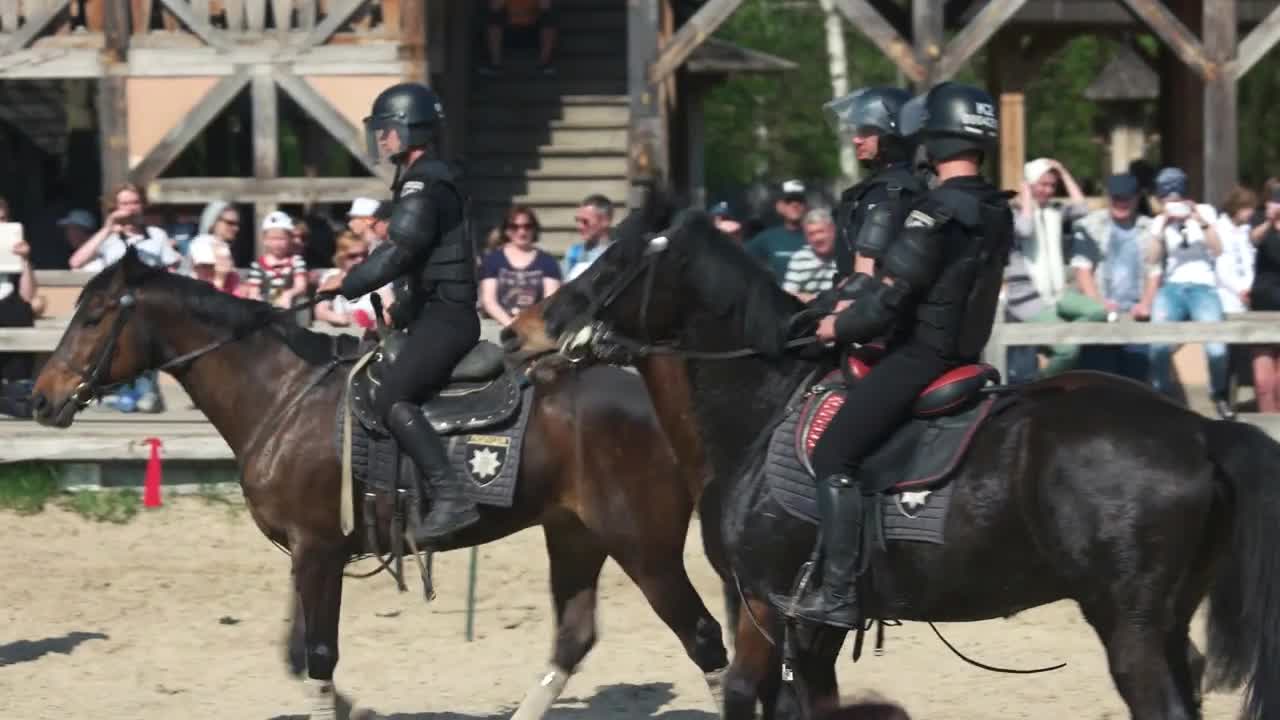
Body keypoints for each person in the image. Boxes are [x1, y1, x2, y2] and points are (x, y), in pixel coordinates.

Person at [775, 82, 1013, 629]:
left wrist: (838, 324)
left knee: (836, 454)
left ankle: (838, 594)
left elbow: (889, 297)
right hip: (964, 352)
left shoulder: (933, 214)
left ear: (937, 137)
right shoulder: (994, 208)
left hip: (920, 356)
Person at [330, 82, 481, 540]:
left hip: (448, 319)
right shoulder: (426, 178)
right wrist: (397, 315)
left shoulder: (424, 181)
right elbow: (424, 267)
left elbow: (400, 252)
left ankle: (452, 497)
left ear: (408, 129)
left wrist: (349, 284)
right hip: (431, 313)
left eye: (386, 129)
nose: (381, 139)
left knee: (391, 397)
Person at [821, 86, 926, 289]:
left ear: (892, 136)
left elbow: (867, 279)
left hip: (865, 308)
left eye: (867, 131)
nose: (856, 139)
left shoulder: (891, 192)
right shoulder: (877, 188)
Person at [479, 205, 561, 326]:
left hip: (535, 326)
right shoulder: (493, 260)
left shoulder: (547, 261)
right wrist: (511, 325)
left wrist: (527, 326)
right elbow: (488, 301)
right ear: (506, 230)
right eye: (514, 227)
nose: (521, 232)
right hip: (497, 326)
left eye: (527, 226)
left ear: (534, 229)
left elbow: (550, 301)